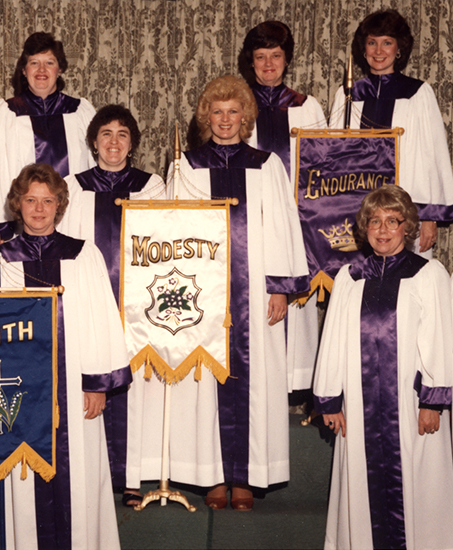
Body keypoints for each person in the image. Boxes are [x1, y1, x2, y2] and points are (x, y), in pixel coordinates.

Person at [171, 75, 309, 511]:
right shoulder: (186, 166)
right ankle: (212, 476)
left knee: (255, 382)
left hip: (254, 292)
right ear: (205, 116)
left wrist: (280, 288)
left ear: (245, 117)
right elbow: (170, 234)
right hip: (201, 294)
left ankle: (246, 476)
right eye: (217, 111)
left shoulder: (266, 164)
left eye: (234, 112)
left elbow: (284, 226)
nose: (226, 120)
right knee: (203, 382)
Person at [0, 163, 129, 550]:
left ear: (60, 205)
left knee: (76, 474)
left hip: (74, 386)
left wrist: (97, 384)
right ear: (18, 204)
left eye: (47, 201)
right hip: (14, 392)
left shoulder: (82, 254)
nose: (39, 209)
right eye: (31, 200)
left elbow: (102, 321)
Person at [314, 185, 453, 549]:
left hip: (410, 409)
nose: (383, 229)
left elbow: (440, 340)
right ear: (364, 227)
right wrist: (330, 400)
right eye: (374, 221)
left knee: (417, 488)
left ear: (407, 227)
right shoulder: (349, 277)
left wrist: (432, 401)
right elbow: (332, 339)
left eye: (393, 221)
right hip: (359, 409)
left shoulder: (428, 274)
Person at [56, 104, 165, 503]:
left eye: (122, 134)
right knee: (92, 380)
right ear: (93, 142)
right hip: (90, 303)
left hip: (140, 300)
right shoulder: (72, 186)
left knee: (137, 392)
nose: (114, 142)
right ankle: (95, 478)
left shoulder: (151, 185)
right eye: (105, 134)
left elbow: (166, 241)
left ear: (132, 142)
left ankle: (133, 476)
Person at [239, 21, 328, 397]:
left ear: (287, 59)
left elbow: (327, 171)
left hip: (301, 222)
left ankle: (297, 389)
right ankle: (262, 384)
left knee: (300, 311)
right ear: (251, 62)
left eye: (276, 56)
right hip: (254, 228)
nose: (269, 64)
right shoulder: (238, 109)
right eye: (261, 57)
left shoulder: (307, 107)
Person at [329, 9, 453, 257]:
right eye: (372, 43)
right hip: (356, 213)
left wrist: (429, 217)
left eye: (387, 43)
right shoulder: (348, 94)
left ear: (399, 49)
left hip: (407, 213)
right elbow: (332, 156)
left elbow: (432, 155)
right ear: (363, 48)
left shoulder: (417, 93)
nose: (378, 51)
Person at [0, 32, 96, 239]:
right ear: (24, 70)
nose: (42, 70)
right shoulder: (7, 113)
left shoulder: (81, 112)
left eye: (49, 62)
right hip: (22, 227)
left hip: (74, 222)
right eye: (34, 63)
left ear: (60, 70)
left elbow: (94, 171)